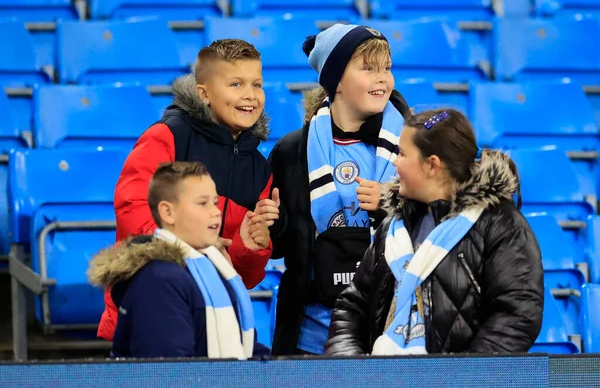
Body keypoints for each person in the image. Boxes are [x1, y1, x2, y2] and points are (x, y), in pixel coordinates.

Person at [97, 39, 280, 341]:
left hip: (216, 324)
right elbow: (135, 219)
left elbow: (243, 277)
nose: (250, 95)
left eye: (257, 85)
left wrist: (250, 247)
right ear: (203, 93)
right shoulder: (167, 136)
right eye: (236, 84)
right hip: (151, 314)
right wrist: (200, 252)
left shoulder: (260, 169)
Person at [325, 109, 544, 355]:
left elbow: (517, 314)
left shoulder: (501, 225)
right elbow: (352, 305)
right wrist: (349, 367)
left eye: (403, 154)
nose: (395, 162)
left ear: (432, 165)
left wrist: (462, 382)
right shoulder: (393, 226)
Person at [268, 24, 411, 355]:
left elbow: (438, 222)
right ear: (336, 82)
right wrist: (270, 228)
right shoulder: (293, 150)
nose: (382, 78)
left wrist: (391, 202)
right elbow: (280, 246)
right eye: (368, 68)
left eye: (387, 68)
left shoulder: (411, 145)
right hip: (310, 333)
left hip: (390, 327)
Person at [88, 162, 270, 358]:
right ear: (168, 212)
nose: (216, 211)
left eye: (215, 202)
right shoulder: (157, 281)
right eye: (203, 203)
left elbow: (246, 347)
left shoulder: (216, 268)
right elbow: (170, 377)